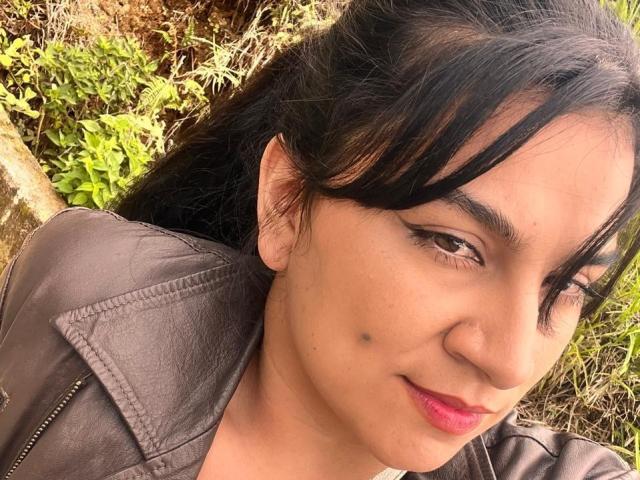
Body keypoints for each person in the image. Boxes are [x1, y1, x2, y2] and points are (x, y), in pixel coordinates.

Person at [0, 0, 639, 478]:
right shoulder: (78, 298)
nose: (511, 362)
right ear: (285, 202)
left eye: (570, 285)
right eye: (452, 244)